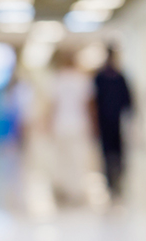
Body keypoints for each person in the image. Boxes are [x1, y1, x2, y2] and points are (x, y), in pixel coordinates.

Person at [48, 49, 92, 204]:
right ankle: (76, 189)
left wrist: (49, 124)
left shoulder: (58, 79)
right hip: (78, 123)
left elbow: (54, 105)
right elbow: (87, 105)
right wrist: (91, 124)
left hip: (61, 124)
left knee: (62, 158)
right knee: (78, 157)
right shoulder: (82, 80)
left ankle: (63, 187)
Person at [92, 45, 133, 198]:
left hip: (115, 120)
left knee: (117, 149)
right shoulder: (101, 77)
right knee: (108, 150)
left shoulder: (117, 76)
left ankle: (117, 176)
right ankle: (111, 178)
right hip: (106, 120)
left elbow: (127, 99)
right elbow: (94, 101)